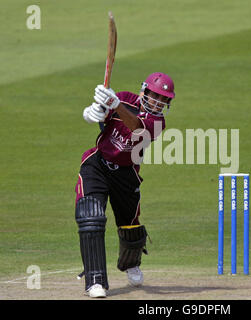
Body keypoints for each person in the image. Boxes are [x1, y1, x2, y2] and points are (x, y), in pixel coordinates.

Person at [75, 72, 175, 298]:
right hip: (98, 165)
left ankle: (131, 263)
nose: (159, 102)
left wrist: (116, 105)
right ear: (144, 91)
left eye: (164, 100)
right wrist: (93, 112)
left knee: (130, 226)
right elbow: (100, 116)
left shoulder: (158, 123)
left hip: (127, 173)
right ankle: (95, 281)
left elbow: (137, 126)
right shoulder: (124, 98)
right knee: (91, 218)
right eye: (155, 96)